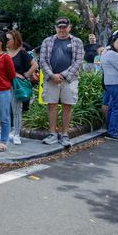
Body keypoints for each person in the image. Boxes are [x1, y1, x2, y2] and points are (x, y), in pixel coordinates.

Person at [39, 17, 84, 147]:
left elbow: (78, 61)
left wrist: (63, 75)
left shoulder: (77, 41)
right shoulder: (47, 41)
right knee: (51, 105)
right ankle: (52, 134)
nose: (62, 29)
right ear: (55, 27)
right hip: (51, 79)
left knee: (67, 106)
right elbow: (42, 61)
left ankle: (64, 135)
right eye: (59, 27)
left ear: (69, 27)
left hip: (70, 79)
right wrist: (52, 75)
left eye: (65, 27)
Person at [6, 30, 38, 145]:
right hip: (3, 85)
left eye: (8, 39)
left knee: (17, 110)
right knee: (4, 110)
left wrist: (25, 75)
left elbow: (35, 65)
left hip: (16, 85)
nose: (6, 41)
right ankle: (6, 132)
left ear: (15, 40)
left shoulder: (22, 53)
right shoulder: (3, 52)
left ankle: (17, 134)